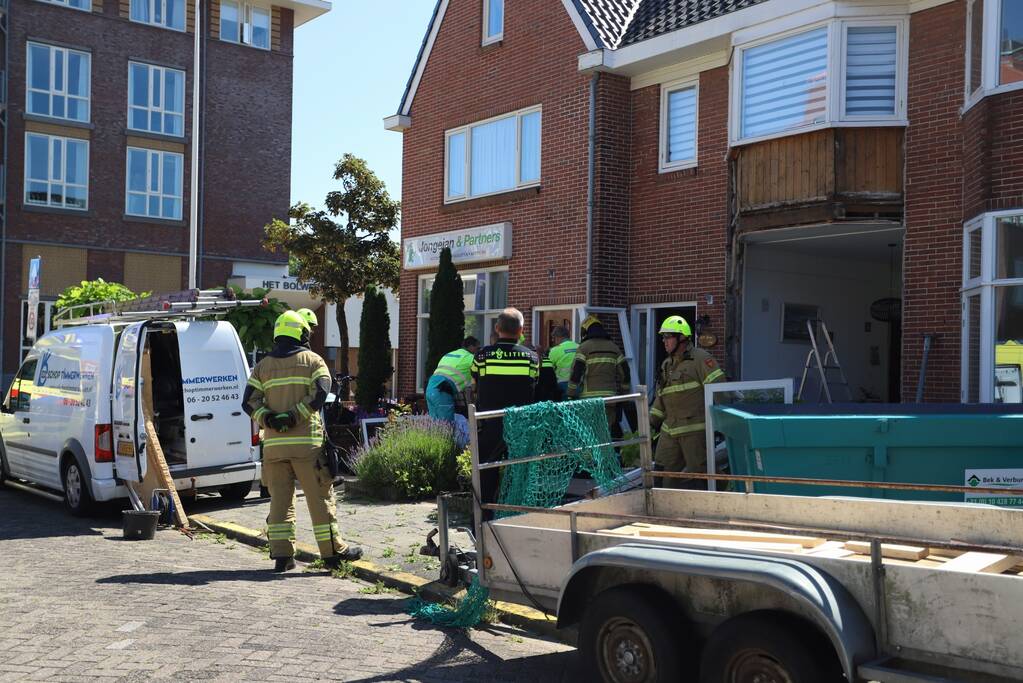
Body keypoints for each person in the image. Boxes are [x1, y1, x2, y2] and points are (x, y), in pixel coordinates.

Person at [243, 310, 362, 572]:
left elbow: (248, 402)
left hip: (274, 447)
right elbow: (321, 393)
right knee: (319, 499)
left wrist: (271, 420)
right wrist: (294, 416)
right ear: (302, 333)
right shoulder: (314, 360)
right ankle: (332, 555)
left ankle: (283, 557)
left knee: (279, 501)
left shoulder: (262, 366)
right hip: (306, 446)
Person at [471, 308, 538, 517]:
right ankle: (515, 518)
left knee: (486, 476)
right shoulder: (531, 358)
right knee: (518, 473)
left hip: (490, 423)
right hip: (519, 427)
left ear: (497, 328)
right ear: (521, 330)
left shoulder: (482, 356)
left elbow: (475, 381)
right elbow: (534, 384)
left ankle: (483, 522)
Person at [649, 315, 726, 488]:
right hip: (669, 430)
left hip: (694, 430)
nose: (664, 341)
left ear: (682, 337)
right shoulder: (667, 364)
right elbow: (662, 397)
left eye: (668, 337)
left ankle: (724, 497)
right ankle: (664, 509)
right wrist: (651, 422)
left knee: (702, 473)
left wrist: (724, 421)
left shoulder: (700, 359)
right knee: (661, 473)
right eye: (663, 337)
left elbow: (719, 389)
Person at [567, 315, 636, 436]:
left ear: (585, 331)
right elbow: (625, 373)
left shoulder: (584, 348)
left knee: (589, 436)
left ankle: (592, 455)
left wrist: (571, 395)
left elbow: (576, 373)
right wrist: (624, 394)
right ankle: (605, 455)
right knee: (605, 434)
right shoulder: (614, 347)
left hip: (589, 402)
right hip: (610, 400)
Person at [425, 336, 480, 422]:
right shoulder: (470, 358)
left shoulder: (449, 354)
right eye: (477, 348)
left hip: (430, 388)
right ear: (471, 347)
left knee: (435, 426)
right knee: (447, 426)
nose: (478, 351)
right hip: (443, 390)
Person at [547, 326, 578, 398]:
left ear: (558, 337)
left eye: (553, 338)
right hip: (579, 385)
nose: (553, 341)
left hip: (563, 385)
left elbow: (549, 369)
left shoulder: (555, 350)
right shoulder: (579, 347)